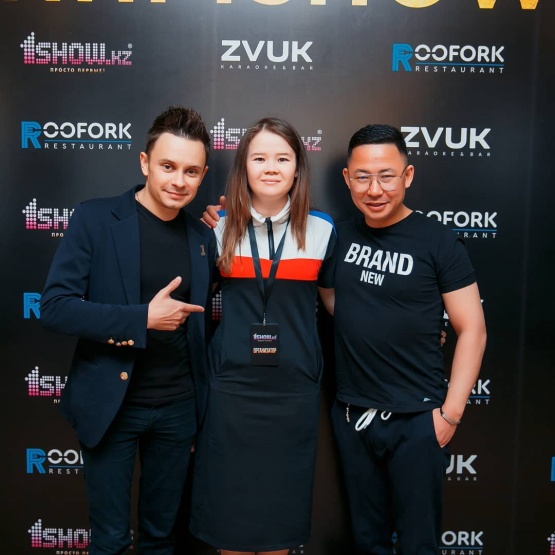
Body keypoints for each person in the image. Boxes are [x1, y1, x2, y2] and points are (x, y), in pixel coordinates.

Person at [40, 106, 216, 555]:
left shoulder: (203, 237)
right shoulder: (95, 219)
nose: (179, 181)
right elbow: (55, 308)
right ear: (144, 163)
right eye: (168, 166)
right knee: (112, 541)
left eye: (191, 171)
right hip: (112, 407)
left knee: (161, 539)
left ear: (202, 175)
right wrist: (141, 319)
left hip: (179, 410)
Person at [331, 124, 487, 554]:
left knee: (419, 544)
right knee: (367, 542)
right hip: (353, 414)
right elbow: (330, 297)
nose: (374, 189)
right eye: (362, 177)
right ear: (347, 179)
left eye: (386, 176)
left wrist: (449, 415)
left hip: (418, 420)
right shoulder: (338, 237)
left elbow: (472, 329)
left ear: (408, 175)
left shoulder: (438, 241)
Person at [189, 117, 336, 555]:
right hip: (231, 392)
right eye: (259, 158)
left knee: (279, 525)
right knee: (229, 525)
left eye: (282, 158)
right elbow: (193, 307)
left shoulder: (323, 230)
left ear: (298, 168)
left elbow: (339, 307)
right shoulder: (216, 228)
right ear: (243, 167)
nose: (271, 167)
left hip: (293, 393)